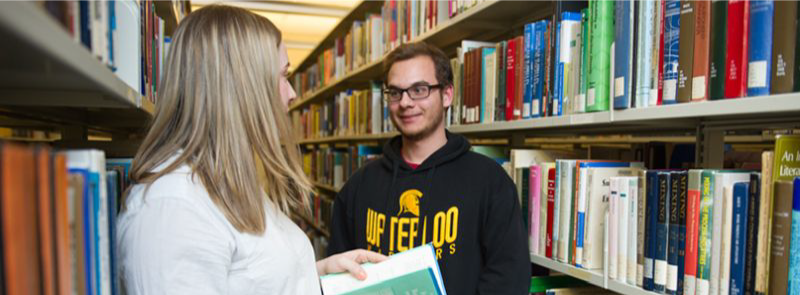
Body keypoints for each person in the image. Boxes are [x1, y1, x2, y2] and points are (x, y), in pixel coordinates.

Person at [116, 5, 385, 295]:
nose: (292, 93)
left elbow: (253, 279)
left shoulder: (224, 178)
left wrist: (318, 274)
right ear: (242, 86)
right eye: (283, 76)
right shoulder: (173, 210)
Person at [327, 41, 532, 294]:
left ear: (447, 95)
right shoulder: (359, 186)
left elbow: (508, 279)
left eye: (419, 90)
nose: (405, 102)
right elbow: (339, 277)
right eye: (395, 92)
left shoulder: (490, 182)